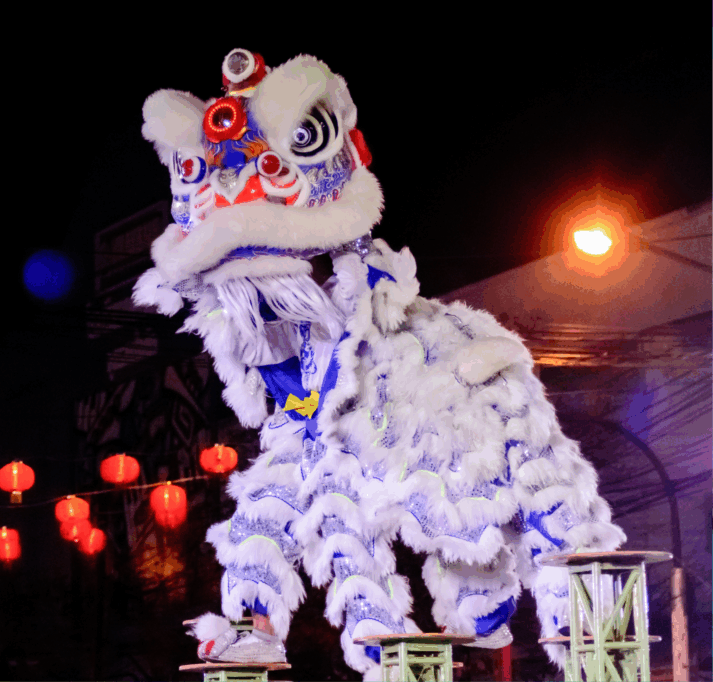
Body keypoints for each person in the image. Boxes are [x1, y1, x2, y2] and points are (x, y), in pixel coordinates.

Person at [134, 49, 625, 680]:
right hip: (321, 421)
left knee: (495, 499)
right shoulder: (285, 353)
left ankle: (557, 606)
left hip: (396, 395)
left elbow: (534, 458)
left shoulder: (434, 344)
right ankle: (260, 625)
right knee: (273, 498)